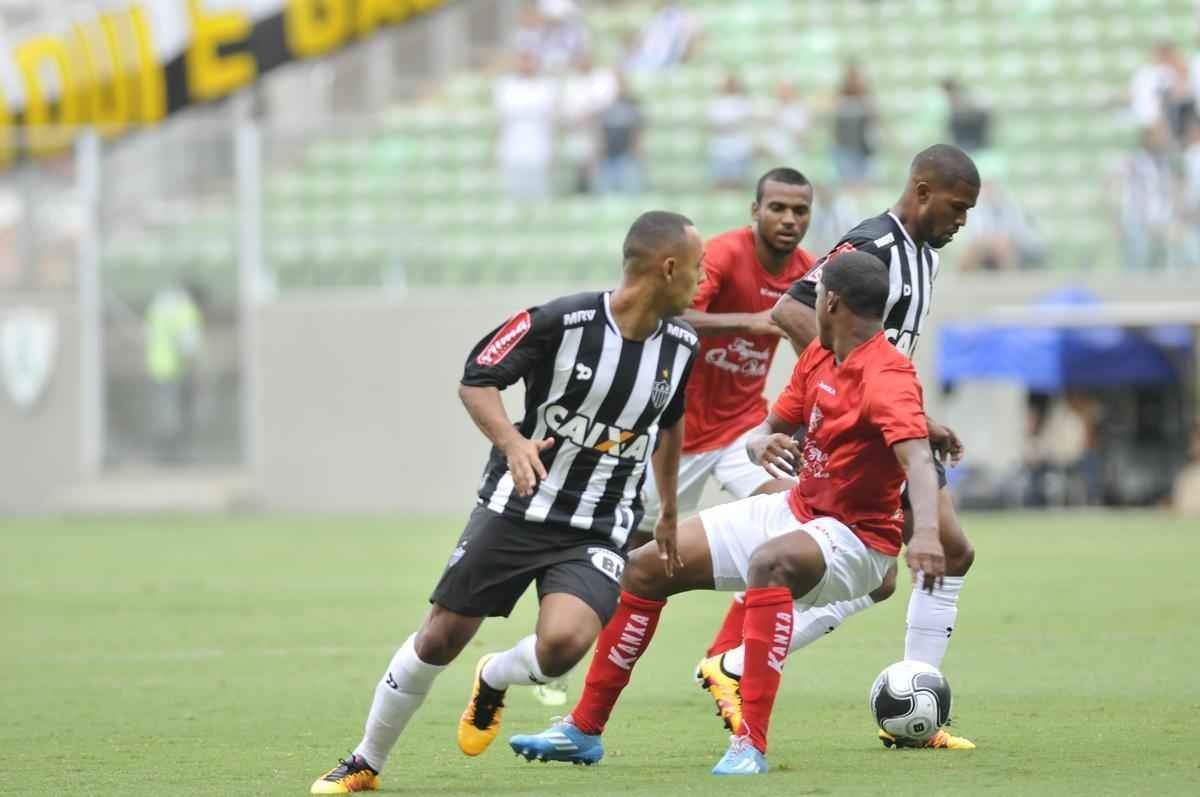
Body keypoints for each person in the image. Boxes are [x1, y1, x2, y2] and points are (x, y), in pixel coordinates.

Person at [309, 211, 703, 794]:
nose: (702, 279)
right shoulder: (561, 321)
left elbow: (670, 424)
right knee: (440, 637)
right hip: (517, 509)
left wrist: (667, 509)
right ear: (668, 268)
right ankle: (365, 761)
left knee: (563, 647)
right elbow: (477, 379)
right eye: (697, 267)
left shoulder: (682, 345)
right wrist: (513, 443)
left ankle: (494, 675)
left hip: (598, 525)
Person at [509, 251, 946, 775]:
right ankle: (583, 730)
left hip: (858, 541)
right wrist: (760, 443)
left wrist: (927, 536)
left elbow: (917, 459)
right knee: (646, 567)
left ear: (830, 301)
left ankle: (749, 745)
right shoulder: (819, 356)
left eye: (815, 295)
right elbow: (770, 427)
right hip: (797, 509)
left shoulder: (888, 374)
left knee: (769, 563)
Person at [695, 144, 980, 750]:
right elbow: (791, 309)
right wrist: (850, 391)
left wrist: (912, 413)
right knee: (942, 553)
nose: (962, 221)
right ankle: (740, 663)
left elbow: (885, 357)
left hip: (889, 420)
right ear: (922, 192)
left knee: (902, 571)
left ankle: (743, 663)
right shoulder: (873, 245)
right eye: (957, 207)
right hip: (863, 431)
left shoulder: (924, 254)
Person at [532, 168, 816, 707]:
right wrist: (750, 321)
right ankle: (559, 652)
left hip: (744, 431)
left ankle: (727, 660)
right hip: (677, 435)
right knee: (627, 560)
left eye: (799, 211)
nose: (788, 219)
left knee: (794, 515)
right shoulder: (724, 255)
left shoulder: (806, 272)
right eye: (778, 208)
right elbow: (676, 314)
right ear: (755, 210)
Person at [145, 278, 204, 463]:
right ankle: (175, 457)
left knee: (162, 412)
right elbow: (188, 346)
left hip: (155, 366)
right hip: (175, 369)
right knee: (176, 414)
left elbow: (149, 334)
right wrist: (196, 372)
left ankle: (162, 455)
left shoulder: (158, 305)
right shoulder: (186, 311)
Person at [494, 51, 558, 200]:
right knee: (513, 192)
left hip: (539, 145)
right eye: (523, 60)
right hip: (513, 146)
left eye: (530, 60)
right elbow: (502, 120)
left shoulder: (547, 86)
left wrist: (552, 151)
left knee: (539, 191)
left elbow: (551, 121)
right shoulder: (506, 86)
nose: (527, 65)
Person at [595, 72, 647, 194]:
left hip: (627, 157)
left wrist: (637, 152)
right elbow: (599, 131)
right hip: (607, 157)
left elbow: (638, 130)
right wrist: (598, 153)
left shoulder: (633, 104)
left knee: (631, 194)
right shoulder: (604, 105)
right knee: (605, 196)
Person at [707, 71, 755, 190]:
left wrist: (730, 125)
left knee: (738, 179)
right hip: (720, 142)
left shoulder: (743, 102)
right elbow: (714, 122)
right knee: (720, 179)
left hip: (738, 142)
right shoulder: (716, 102)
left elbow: (744, 121)